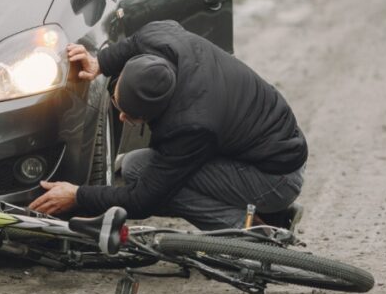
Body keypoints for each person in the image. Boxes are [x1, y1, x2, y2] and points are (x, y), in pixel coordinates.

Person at [29, 20, 307, 232]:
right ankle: (275, 216)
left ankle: (251, 234)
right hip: (263, 148)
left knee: (157, 181)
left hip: (277, 177)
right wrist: (99, 62)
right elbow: (134, 44)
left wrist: (78, 196)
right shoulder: (161, 38)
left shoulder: (191, 126)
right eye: (118, 106)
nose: (122, 118)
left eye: (131, 116)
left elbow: (144, 201)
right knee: (137, 165)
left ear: (159, 110)